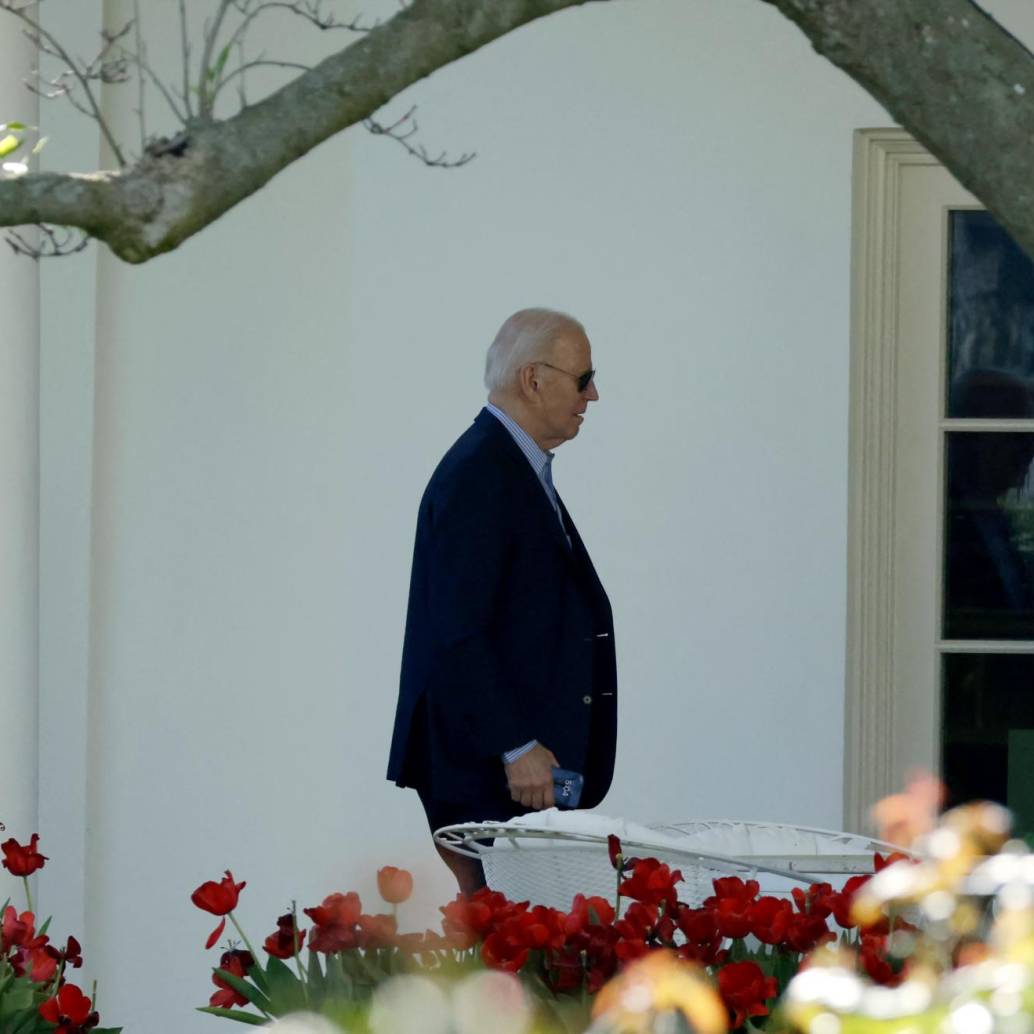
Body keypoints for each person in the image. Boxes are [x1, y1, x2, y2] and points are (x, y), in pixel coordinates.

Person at [386, 308, 617, 894]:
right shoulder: (481, 475)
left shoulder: (506, 465)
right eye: (583, 377)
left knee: (534, 962)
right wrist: (515, 745)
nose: (594, 394)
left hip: (513, 773)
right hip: (493, 773)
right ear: (534, 379)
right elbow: (458, 631)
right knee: (516, 965)